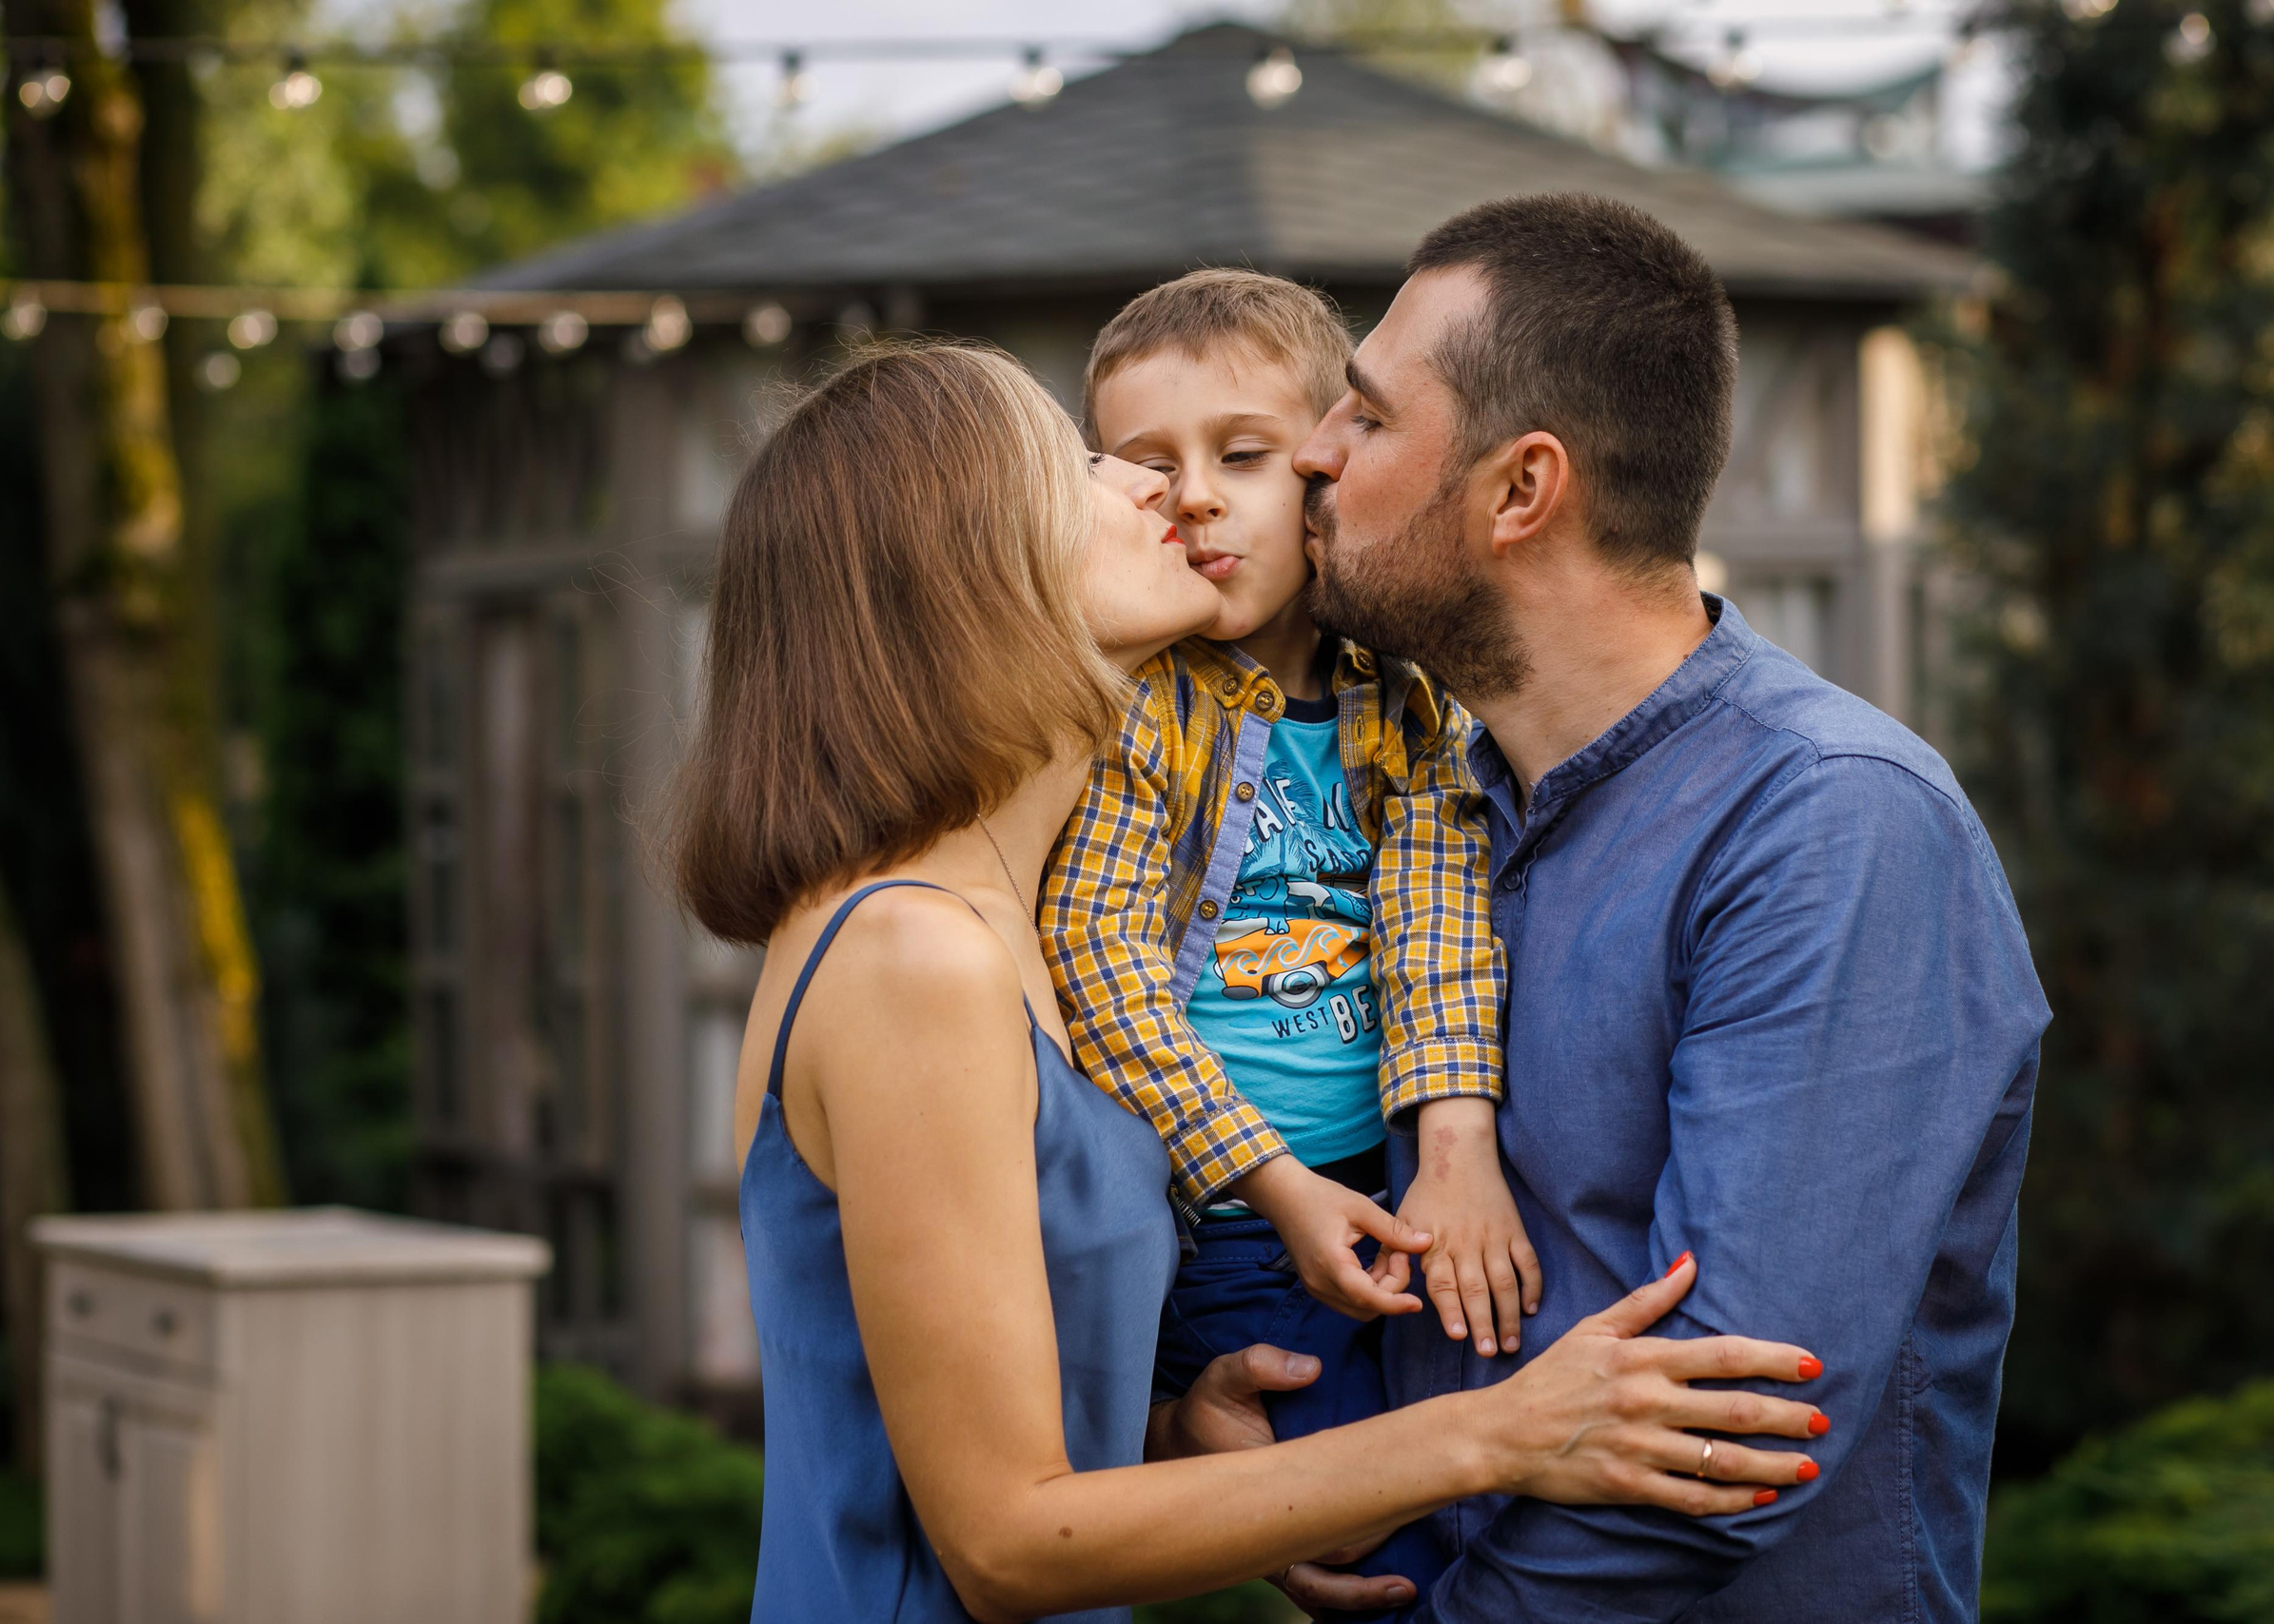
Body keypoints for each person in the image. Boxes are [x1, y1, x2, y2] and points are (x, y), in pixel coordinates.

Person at [665, 341, 1833, 1624]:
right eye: (1081, 468)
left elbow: (963, 1429)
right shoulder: (913, 953)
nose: (1155, 488)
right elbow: (1002, 1543)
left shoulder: (1003, 925)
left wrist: (1185, 1442)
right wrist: (1501, 1431)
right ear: (965, 573)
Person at [1287, 194, 2052, 1621]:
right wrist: (1263, 1443)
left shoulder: (1829, 825)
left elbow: (1728, 1437)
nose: (1311, 452)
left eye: (1368, 416)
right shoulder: (1425, 822)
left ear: (1521, 490)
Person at [1044, 271, 1539, 1430]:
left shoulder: (1404, 699)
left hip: (1387, 1183)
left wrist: (1458, 1144)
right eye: (1151, 467)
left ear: (1323, 467)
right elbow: (1098, 960)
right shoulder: (1137, 705)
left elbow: (1437, 929)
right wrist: (1276, 1186)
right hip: (1221, 1218)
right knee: (1350, 1479)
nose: (1195, 498)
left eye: (1242, 456)